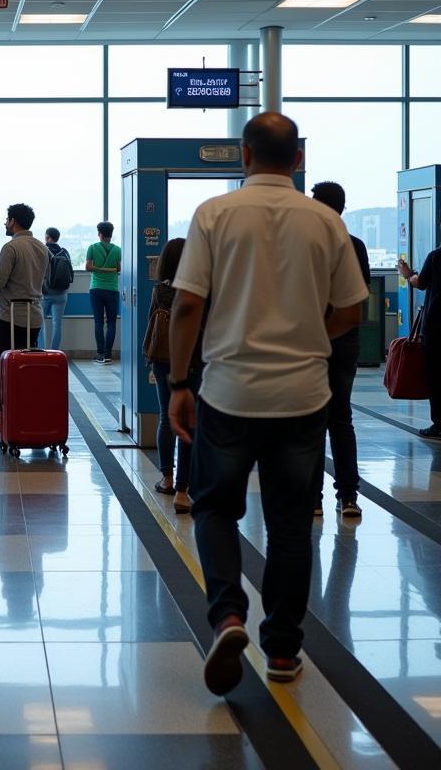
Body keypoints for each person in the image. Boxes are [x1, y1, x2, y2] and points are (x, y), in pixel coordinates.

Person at [168, 113, 367, 696]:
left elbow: (185, 307)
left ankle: (228, 616)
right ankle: (283, 649)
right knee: (287, 526)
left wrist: (181, 383)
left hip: (229, 391)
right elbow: (351, 311)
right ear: (298, 159)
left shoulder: (214, 215)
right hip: (303, 396)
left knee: (213, 508)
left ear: (244, 156)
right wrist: (304, 339)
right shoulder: (325, 223)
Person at [311, 181, 371, 514]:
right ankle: (348, 496)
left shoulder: (306, 244)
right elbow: (360, 297)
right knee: (341, 419)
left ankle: (313, 500)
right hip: (346, 340)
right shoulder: (356, 246)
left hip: (313, 342)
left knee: (312, 421)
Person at [0, 203, 49, 429]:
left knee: (4, 368)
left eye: (7, 220)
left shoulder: (11, 248)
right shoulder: (42, 248)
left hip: (11, 317)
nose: (5, 224)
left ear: (14, 221)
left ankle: (4, 416)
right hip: (35, 317)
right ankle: (26, 412)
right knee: (27, 367)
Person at [146, 238, 199, 516]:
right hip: (194, 362)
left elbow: (152, 325)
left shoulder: (160, 291)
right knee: (189, 424)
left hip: (163, 360)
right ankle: (183, 490)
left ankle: (166, 478)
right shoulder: (199, 291)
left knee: (167, 418)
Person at [398, 244, 441, 441]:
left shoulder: (436, 257)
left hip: (436, 327)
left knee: (436, 376)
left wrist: (408, 274)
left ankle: (439, 424)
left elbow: (420, 282)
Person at [86, 221, 121, 363]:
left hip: (96, 289)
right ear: (111, 234)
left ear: (99, 234)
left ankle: (100, 353)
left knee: (98, 322)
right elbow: (118, 268)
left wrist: (98, 268)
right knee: (111, 322)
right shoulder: (118, 250)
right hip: (112, 289)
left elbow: (88, 267)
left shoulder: (92, 248)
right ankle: (108, 355)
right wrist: (110, 269)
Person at [41, 227, 73, 352]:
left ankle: (41, 350)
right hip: (62, 294)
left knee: (40, 323)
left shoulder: (43, 250)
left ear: (48, 237)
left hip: (45, 293)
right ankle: (54, 351)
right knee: (57, 324)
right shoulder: (64, 252)